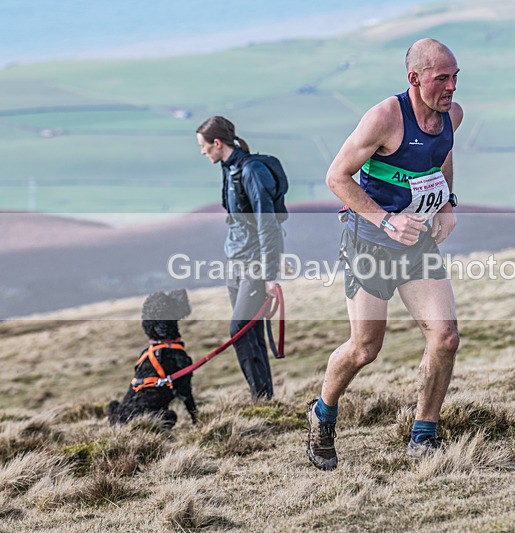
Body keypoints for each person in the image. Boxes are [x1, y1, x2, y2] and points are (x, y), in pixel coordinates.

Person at [306, 38, 463, 470]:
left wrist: (447, 202)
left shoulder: (452, 115)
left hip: (418, 244)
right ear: (415, 78)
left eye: (455, 77)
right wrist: (386, 221)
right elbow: (337, 177)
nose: (451, 87)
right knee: (365, 348)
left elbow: (442, 155)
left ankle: (423, 437)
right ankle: (322, 414)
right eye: (441, 78)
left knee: (445, 337)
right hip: (370, 245)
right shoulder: (384, 118)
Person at [196, 116, 282, 400]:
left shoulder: (251, 171)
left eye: (204, 146)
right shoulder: (229, 169)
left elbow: (267, 223)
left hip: (254, 264)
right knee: (250, 331)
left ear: (217, 143)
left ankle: (260, 397)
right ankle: (264, 399)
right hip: (235, 261)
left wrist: (270, 275)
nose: (202, 152)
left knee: (239, 329)